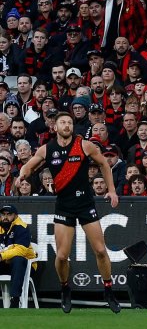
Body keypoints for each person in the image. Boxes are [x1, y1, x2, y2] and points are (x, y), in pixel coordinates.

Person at [14, 112, 121, 314]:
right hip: (64, 205)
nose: (66, 125)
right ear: (55, 127)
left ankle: (108, 290)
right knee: (62, 256)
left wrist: (112, 190)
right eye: (62, 122)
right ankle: (65, 288)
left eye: (70, 122)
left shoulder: (84, 145)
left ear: (73, 126)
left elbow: (104, 164)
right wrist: (21, 176)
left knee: (100, 250)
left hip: (85, 203)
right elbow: (29, 165)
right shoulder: (47, 149)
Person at [0, 205, 37, 308]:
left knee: (18, 259)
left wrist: (2, 256)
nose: (5, 217)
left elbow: (21, 251)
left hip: (26, 266)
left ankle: (15, 300)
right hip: (5, 263)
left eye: (9, 214)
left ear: (15, 216)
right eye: (3, 214)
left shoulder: (22, 227)